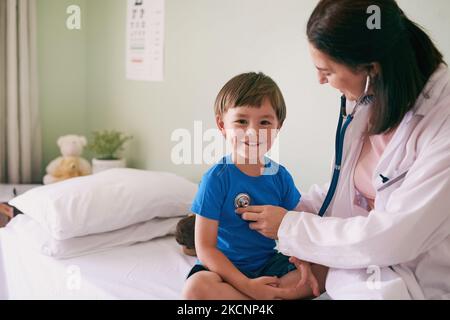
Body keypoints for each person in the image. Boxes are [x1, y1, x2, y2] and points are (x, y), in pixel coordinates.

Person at [237, 0, 450, 299]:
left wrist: (291, 228)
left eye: (327, 70)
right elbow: (350, 187)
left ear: (371, 69)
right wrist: (293, 210)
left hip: (416, 280)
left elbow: (392, 236)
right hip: (361, 270)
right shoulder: (374, 99)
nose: (319, 80)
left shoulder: (442, 124)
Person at [182, 72, 325, 300]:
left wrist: (303, 260)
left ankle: (254, 299)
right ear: (222, 125)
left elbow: (295, 226)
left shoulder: (280, 176)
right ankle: (260, 297)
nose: (253, 131)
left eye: (265, 122)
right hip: (222, 271)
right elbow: (205, 248)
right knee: (195, 289)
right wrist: (248, 286)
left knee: (325, 269)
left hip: (268, 265)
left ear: (278, 127)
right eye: (241, 121)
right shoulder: (217, 178)